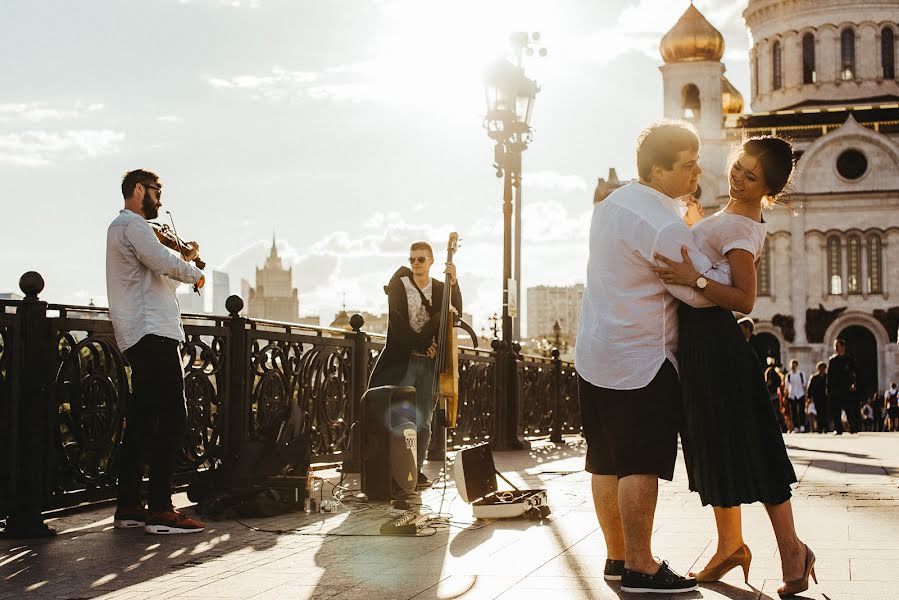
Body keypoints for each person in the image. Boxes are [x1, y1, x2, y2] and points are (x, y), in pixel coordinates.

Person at [575, 121, 734, 594]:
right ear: (659, 169)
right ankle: (642, 567)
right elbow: (703, 290)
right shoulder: (662, 224)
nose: (697, 171)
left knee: (604, 462)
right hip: (641, 360)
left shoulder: (613, 204)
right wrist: (717, 269)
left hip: (596, 353)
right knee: (640, 463)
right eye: (687, 164)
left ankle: (617, 557)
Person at [653, 135, 815, 596]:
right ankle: (730, 546)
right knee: (714, 440)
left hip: (716, 345)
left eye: (751, 176)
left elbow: (744, 300)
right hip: (703, 344)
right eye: (738, 167)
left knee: (751, 444)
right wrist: (696, 227)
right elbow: (715, 251)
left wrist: (693, 276)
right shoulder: (732, 218)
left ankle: (791, 551)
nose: (738, 178)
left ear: (769, 188)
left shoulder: (743, 229)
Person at [106, 169, 206, 535]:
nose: (160, 200)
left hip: (144, 332)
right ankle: (162, 509)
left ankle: (129, 507)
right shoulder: (132, 226)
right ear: (137, 190)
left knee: (143, 421)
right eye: (156, 191)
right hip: (152, 333)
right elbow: (162, 262)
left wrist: (185, 258)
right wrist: (193, 270)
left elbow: (157, 278)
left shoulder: (130, 230)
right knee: (173, 418)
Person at [368, 241, 461, 489]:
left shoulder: (441, 287)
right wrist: (421, 344)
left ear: (431, 261)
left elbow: (455, 314)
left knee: (424, 421)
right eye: (412, 259)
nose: (416, 264)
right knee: (400, 419)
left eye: (421, 259)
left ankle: (414, 472)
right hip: (404, 361)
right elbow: (397, 323)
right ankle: (394, 473)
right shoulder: (399, 286)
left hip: (430, 364)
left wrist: (455, 282)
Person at [827, 339, 857, 434]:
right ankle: (838, 428)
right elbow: (830, 375)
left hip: (847, 387)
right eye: (835, 346)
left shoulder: (849, 359)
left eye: (838, 346)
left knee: (849, 408)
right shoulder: (832, 360)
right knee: (836, 409)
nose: (836, 348)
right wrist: (828, 388)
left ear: (843, 347)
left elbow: (855, 373)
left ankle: (853, 427)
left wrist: (854, 384)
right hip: (835, 388)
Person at [784, 360, 807, 433]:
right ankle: (796, 426)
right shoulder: (788, 375)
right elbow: (786, 387)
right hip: (792, 395)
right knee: (793, 412)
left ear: (797, 365)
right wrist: (785, 397)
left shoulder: (801, 374)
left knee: (801, 411)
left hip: (800, 394)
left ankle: (802, 425)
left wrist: (806, 394)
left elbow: (804, 385)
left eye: (794, 365)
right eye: (792, 365)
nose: (793, 367)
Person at [807, 362, 828, 434]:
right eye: (820, 368)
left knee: (826, 412)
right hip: (817, 398)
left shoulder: (827, 377)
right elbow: (810, 388)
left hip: (826, 398)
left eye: (823, 368)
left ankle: (826, 427)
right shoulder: (814, 377)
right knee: (819, 413)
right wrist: (809, 397)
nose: (822, 369)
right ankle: (820, 427)